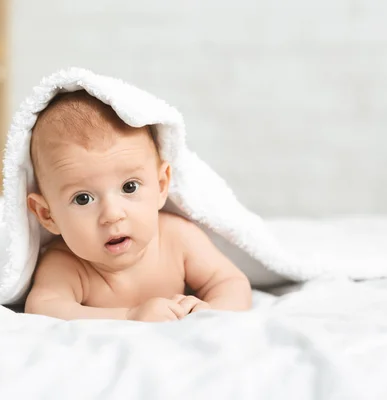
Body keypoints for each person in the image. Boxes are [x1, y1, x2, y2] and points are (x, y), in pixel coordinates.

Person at [25, 90, 251, 322]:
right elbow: (43, 308)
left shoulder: (176, 238)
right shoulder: (66, 263)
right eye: (83, 198)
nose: (112, 215)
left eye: (129, 187)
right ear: (47, 215)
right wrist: (130, 316)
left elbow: (231, 283)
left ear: (161, 185)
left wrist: (210, 311)